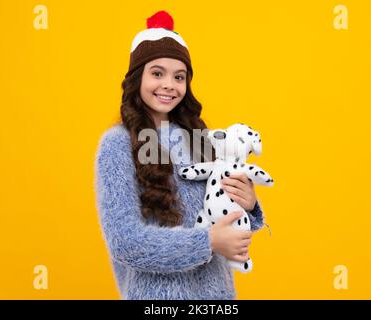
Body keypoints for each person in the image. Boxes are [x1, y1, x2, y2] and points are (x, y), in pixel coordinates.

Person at [94, 10, 266, 300]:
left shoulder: (198, 138)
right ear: (137, 78)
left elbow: (219, 213)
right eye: (157, 73)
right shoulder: (116, 145)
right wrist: (208, 242)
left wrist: (248, 204)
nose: (169, 85)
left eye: (179, 76)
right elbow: (125, 243)